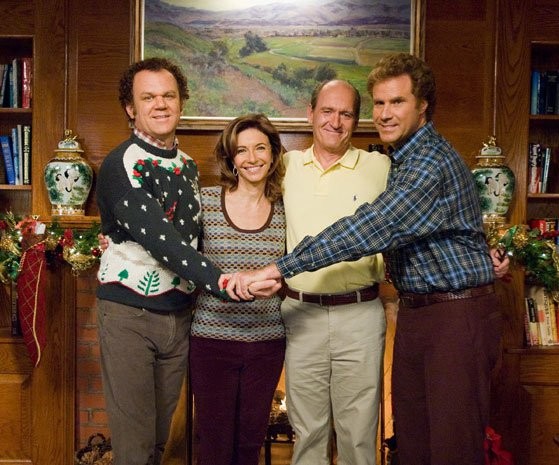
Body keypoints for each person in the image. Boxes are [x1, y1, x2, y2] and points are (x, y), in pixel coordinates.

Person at [224, 53, 509, 465]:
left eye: (397, 102)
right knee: (413, 442)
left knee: (451, 445)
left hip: (452, 315)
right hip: (414, 312)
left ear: (423, 105)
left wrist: (278, 269)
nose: (385, 113)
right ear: (310, 114)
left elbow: (374, 226)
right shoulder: (401, 158)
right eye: (380, 103)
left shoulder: (424, 162)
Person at [95, 58, 272, 465]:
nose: (160, 104)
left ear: (180, 102)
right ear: (130, 108)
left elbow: (195, 237)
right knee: (135, 446)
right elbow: (166, 244)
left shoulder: (187, 165)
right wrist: (227, 283)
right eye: (148, 97)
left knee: (161, 440)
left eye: (168, 95)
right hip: (130, 314)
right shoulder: (122, 164)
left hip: (178, 315)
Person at [267, 79, 391, 465]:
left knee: (358, 434)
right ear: (310, 113)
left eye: (346, 114)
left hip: (360, 313)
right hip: (300, 313)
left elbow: (419, 215)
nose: (335, 122)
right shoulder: (284, 167)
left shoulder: (381, 167)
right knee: (308, 433)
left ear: (356, 120)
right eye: (327, 111)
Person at [189, 113, 286, 465]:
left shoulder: (286, 208)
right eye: (241, 150)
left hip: (266, 344)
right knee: (214, 445)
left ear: (273, 154)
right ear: (231, 158)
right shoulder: (205, 201)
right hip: (211, 342)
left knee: (249, 444)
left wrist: (278, 285)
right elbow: (186, 263)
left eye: (260, 148)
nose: (252, 158)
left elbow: (295, 270)